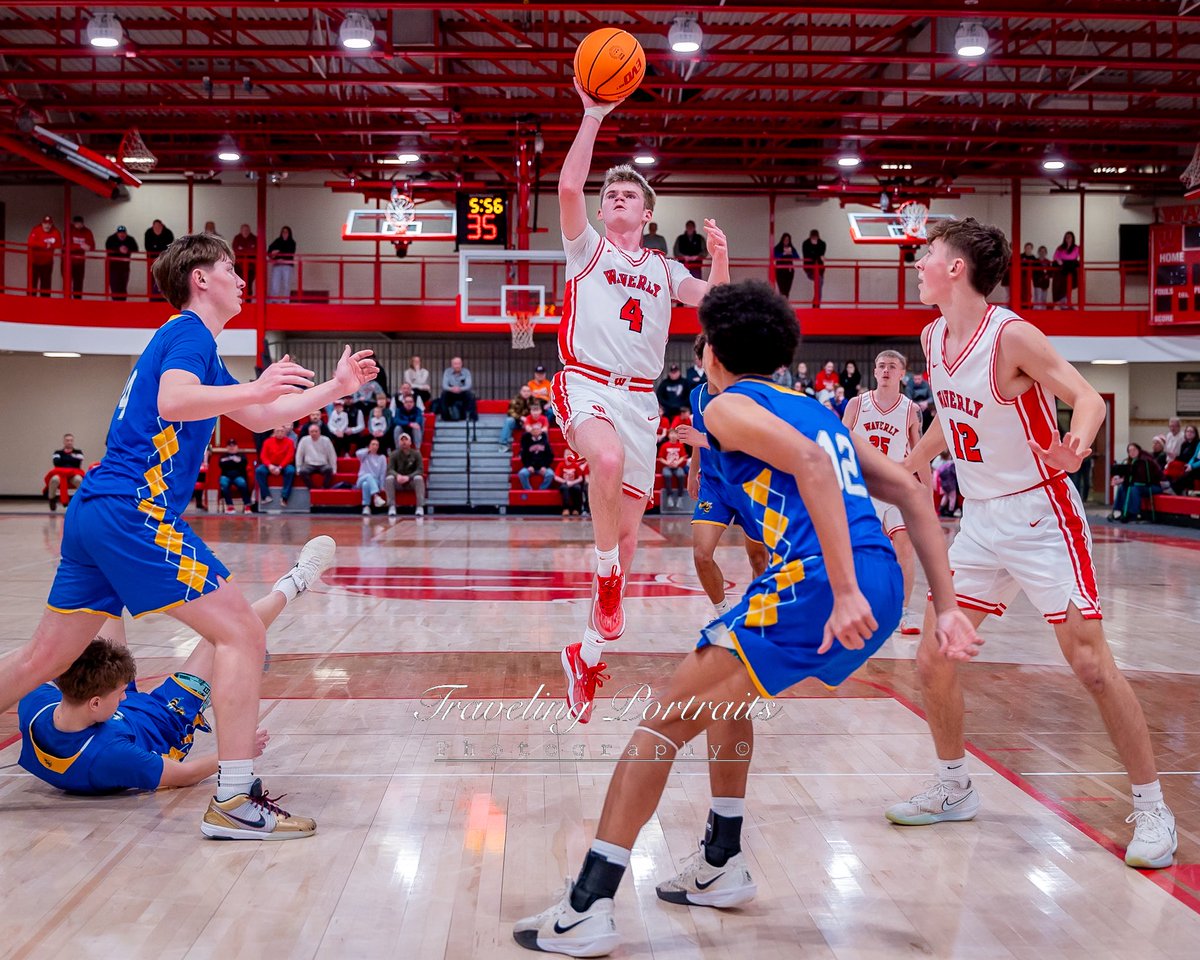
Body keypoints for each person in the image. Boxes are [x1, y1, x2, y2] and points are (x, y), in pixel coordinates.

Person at [513, 279, 981, 957]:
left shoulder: (729, 405)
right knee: (727, 703)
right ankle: (722, 859)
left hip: (824, 581)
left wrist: (842, 589)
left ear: (709, 354)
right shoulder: (813, 407)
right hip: (878, 576)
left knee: (661, 726)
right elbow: (911, 488)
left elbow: (814, 468)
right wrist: (947, 607)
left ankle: (588, 905)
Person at [0, 231, 378, 839]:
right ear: (200, 278)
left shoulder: (196, 346)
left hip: (97, 508)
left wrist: (332, 390)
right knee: (242, 634)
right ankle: (233, 800)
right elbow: (176, 401)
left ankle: (234, 799)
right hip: (133, 510)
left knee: (45, 658)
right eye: (231, 268)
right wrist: (255, 387)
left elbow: (255, 417)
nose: (241, 277)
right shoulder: (187, 332)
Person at [889, 217, 1175, 869]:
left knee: (1092, 665)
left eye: (928, 254)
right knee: (934, 657)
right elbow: (952, 419)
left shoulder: (1012, 335)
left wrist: (1077, 445)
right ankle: (955, 786)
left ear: (955, 268)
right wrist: (911, 461)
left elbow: (1084, 398)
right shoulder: (933, 337)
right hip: (982, 521)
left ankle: (1154, 808)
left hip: (1043, 513)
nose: (920, 263)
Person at [553, 78, 729, 723]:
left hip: (640, 402)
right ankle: (602, 583)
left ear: (647, 216)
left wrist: (721, 260)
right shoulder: (587, 250)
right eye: (611, 194)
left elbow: (714, 304)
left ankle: (588, 654)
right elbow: (570, 187)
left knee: (629, 540)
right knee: (600, 465)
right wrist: (592, 115)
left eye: (628, 194)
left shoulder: (662, 267)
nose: (615, 198)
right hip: (584, 381)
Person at [17, 538, 333, 795]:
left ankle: (110, 562)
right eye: (119, 693)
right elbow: (184, 775)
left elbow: (33, 672)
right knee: (234, 631)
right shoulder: (111, 756)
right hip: (167, 717)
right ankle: (296, 582)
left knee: (98, 604)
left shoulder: (36, 706)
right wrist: (236, 752)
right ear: (97, 701)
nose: (125, 694)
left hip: (108, 715)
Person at [678, 335, 769, 621]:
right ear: (699, 359)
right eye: (708, 354)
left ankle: (759, 614)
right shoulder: (697, 395)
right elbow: (696, 438)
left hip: (749, 485)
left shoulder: (745, 394)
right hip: (714, 486)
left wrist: (702, 439)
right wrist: (694, 472)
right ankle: (724, 617)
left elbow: (747, 441)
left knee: (758, 559)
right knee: (701, 555)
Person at [843, 350, 924, 636]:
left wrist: (925, 490)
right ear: (874, 372)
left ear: (903, 373)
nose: (886, 370)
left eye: (892, 366)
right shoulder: (857, 404)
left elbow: (920, 452)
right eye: (881, 366)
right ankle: (860, 607)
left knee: (904, 545)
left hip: (896, 485)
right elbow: (840, 443)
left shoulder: (911, 409)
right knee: (860, 551)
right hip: (863, 486)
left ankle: (903, 610)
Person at [1109, 443, 1164, 522]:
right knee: (1123, 487)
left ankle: (1133, 513)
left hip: (1153, 486)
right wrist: (1119, 480)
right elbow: (1130, 476)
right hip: (1140, 485)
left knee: (1134, 488)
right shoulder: (1131, 461)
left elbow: (1141, 478)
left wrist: (1123, 480)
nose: (1132, 452)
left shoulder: (1145, 460)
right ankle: (1121, 511)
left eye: (1134, 450)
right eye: (1130, 451)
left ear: (1139, 450)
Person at [385, 432, 426, 517]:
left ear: (410, 442)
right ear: (399, 442)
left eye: (406, 440)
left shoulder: (416, 454)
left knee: (419, 478)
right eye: (402, 440)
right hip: (398, 481)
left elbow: (420, 470)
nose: (404, 442)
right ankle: (391, 506)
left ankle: (420, 506)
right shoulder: (393, 454)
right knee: (389, 479)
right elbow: (390, 469)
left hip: (411, 481)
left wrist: (409, 477)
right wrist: (397, 476)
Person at [255, 425, 296, 506]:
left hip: (284, 466)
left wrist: (280, 467)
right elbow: (263, 456)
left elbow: (289, 456)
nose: (280, 433)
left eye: (282, 431)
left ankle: (284, 497)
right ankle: (266, 496)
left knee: (291, 470)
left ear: (285, 432)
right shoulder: (267, 441)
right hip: (270, 465)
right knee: (259, 470)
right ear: (274, 432)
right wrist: (270, 466)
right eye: (278, 431)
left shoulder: (290, 442)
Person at [45, 433, 86, 511]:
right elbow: (56, 462)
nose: (69, 442)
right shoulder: (57, 452)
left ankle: (81, 500)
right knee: (54, 480)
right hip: (60, 475)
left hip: (73, 475)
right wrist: (72, 458)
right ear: (64, 442)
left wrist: (64, 459)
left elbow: (77, 463)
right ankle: (52, 499)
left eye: (71, 440)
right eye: (67, 440)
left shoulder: (78, 452)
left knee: (79, 479)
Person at [28, 215, 63, 296]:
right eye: (45, 223)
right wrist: (44, 244)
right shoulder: (36, 230)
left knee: (46, 287)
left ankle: (45, 306)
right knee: (32, 286)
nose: (47, 226)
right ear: (42, 223)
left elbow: (59, 244)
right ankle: (30, 305)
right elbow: (30, 243)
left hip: (47, 263)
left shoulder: (56, 232)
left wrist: (51, 246)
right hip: (34, 262)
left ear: (52, 224)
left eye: (49, 224)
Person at [296, 422, 337, 490]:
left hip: (323, 464)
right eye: (312, 431)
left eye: (316, 431)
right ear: (309, 432)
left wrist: (334, 468)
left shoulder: (326, 440)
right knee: (302, 471)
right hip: (309, 464)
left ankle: (324, 487)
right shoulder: (304, 440)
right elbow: (299, 455)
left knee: (329, 470)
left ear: (320, 432)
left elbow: (332, 455)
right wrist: (298, 468)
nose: (314, 433)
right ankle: (312, 488)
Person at [218, 438, 252, 513]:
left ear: (237, 447)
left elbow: (243, 464)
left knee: (242, 483)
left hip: (239, 476)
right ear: (227, 447)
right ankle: (230, 506)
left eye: (233, 445)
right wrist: (235, 462)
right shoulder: (223, 456)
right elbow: (221, 465)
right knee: (223, 482)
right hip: (226, 476)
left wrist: (230, 462)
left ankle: (247, 505)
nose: (232, 447)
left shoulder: (242, 456)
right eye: (230, 446)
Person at [519, 419, 555, 490]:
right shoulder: (527, 442)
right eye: (534, 429)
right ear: (531, 431)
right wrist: (529, 466)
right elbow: (524, 456)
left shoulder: (545, 442)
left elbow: (550, 456)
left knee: (550, 474)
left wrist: (544, 466)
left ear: (541, 431)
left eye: (537, 429)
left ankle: (542, 489)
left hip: (542, 467)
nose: (535, 431)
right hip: (530, 467)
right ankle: (529, 490)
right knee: (522, 473)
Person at [657, 427, 689, 508]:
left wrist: (678, 463)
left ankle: (680, 497)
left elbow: (683, 456)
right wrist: (667, 463)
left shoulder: (680, 445)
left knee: (681, 475)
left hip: (677, 466)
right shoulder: (664, 445)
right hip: (667, 466)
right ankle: (669, 496)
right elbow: (660, 458)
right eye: (671, 434)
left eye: (675, 434)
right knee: (667, 475)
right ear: (668, 435)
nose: (673, 436)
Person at [144, 220, 175, 300]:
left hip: (164, 262)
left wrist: (161, 258)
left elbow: (170, 247)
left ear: (162, 226)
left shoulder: (168, 233)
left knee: (163, 279)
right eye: (155, 226)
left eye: (159, 226)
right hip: (152, 261)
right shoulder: (149, 233)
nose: (157, 228)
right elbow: (148, 247)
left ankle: (164, 298)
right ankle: (153, 298)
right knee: (152, 280)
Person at [439, 356, 477, 422]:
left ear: (461, 364)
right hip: (451, 391)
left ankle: (470, 417)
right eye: (455, 364)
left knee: (470, 394)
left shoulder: (466, 372)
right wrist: (452, 389)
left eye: (459, 363)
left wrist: (460, 389)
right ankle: (445, 417)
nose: (457, 366)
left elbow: (468, 385)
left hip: (462, 391)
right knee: (444, 394)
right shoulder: (447, 371)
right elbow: (444, 385)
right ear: (452, 365)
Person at [356, 436, 388, 515]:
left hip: (374, 481)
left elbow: (382, 473)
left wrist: (382, 486)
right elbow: (358, 453)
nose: (375, 446)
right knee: (368, 477)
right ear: (369, 445)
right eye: (373, 444)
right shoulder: (364, 456)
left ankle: (366, 506)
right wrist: (368, 450)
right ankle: (376, 496)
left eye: (377, 445)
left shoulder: (382, 457)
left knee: (366, 484)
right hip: (361, 478)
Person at [105, 225, 138, 300]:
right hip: (113, 268)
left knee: (123, 287)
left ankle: (123, 304)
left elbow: (136, 249)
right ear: (117, 233)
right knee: (114, 286)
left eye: (123, 233)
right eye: (120, 233)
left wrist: (127, 249)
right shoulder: (111, 239)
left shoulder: (130, 239)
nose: (122, 235)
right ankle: (115, 304)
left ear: (126, 233)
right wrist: (118, 249)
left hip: (125, 267)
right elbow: (108, 247)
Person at [66, 215, 96, 298]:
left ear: (83, 223)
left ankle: (77, 302)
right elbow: (67, 246)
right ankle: (66, 301)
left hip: (80, 262)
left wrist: (88, 247)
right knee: (67, 283)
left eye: (80, 223)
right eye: (77, 223)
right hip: (68, 261)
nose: (78, 225)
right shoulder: (70, 230)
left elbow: (92, 247)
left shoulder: (87, 232)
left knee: (78, 283)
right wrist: (80, 246)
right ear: (74, 223)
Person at [500, 384, 535, 451]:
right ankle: (503, 444)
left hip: (530, 422)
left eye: (528, 391)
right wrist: (520, 418)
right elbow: (510, 412)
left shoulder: (534, 400)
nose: (526, 393)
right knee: (509, 420)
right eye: (524, 391)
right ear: (520, 392)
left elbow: (538, 411)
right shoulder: (515, 400)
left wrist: (528, 419)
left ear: (531, 392)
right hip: (517, 422)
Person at [267, 226, 296, 302]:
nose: (284, 233)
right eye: (283, 232)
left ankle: (285, 301)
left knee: (286, 284)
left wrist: (278, 253)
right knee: (275, 284)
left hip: (287, 266)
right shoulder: (277, 241)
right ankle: (274, 301)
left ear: (289, 233)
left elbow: (290, 252)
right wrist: (275, 254)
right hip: (277, 265)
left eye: (286, 232)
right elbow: (270, 250)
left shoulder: (292, 242)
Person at [556, 449, 588, 516]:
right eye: (566, 455)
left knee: (577, 488)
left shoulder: (575, 465)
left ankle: (576, 509)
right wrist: (565, 481)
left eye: (570, 455)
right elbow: (556, 477)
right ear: (563, 456)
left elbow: (580, 478)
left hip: (574, 483)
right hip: (564, 483)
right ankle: (566, 509)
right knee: (565, 488)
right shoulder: (561, 465)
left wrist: (572, 482)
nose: (568, 456)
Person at [1053, 230, 1081, 307]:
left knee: (1074, 265)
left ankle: (1067, 303)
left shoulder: (1076, 247)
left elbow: (1080, 257)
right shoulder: (1060, 247)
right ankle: (1063, 303)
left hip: (1071, 266)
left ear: (1073, 238)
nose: (1068, 238)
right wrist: (1059, 261)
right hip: (1062, 265)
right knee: (1062, 285)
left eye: (1069, 237)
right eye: (1066, 237)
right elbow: (1055, 256)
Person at [801, 228, 827, 305]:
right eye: (813, 237)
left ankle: (816, 302)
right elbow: (807, 255)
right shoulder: (806, 243)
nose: (814, 239)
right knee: (819, 281)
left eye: (816, 237)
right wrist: (818, 256)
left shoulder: (822, 244)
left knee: (820, 283)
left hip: (819, 268)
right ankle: (816, 303)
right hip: (810, 268)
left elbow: (821, 253)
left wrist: (816, 254)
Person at [231, 224, 257, 296]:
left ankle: (248, 301)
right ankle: (239, 301)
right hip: (239, 266)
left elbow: (255, 251)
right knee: (238, 284)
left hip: (251, 266)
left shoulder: (254, 238)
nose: (245, 232)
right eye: (244, 230)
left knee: (248, 284)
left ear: (249, 230)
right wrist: (248, 250)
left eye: (247, 230)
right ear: (241, 231)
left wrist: (242, 250)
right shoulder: (237, 238)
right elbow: (235, 250)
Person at [773, 232, 797, 298]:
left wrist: (791, 253)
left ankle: (786, 304)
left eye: (788, 240)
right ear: (782, 240)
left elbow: (797, 257)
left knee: (787, 290)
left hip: (789, 271)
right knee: (782, 290)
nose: (786, 241)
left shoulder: (791, 248)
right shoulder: (777, 248)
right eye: (785, 240)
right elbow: (774, 256)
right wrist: (783, 253)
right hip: (780, 271)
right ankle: (782, 304)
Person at [1019, 241, 1037, 308]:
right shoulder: (1021, 256)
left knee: (1030, 292)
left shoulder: (1033, 258)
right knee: (1022, 291)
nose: (1028, 249)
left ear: (1031, 249)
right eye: (1027, 248)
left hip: (1030, 278)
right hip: (1021, 277)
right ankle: (1022, 305)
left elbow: (1036, 267)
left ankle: (1029, 305)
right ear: (1024, 248)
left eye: (1029, 248)